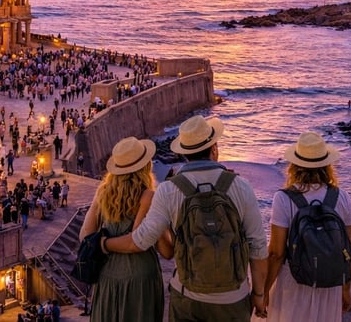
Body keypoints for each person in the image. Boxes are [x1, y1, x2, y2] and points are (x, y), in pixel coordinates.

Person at [105, 115, 268, 320]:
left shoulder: (168, 190)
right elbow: (258, 247)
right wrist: (259, 294)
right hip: (233, 299)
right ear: (214, 148)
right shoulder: (241, 187)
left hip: (187, 299)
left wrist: (104, 243)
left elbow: (140, 241)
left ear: (184, 154)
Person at [264, 132, 351, 322]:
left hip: (293, 283)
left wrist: (263, 291)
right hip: (329, 284)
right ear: (326, 165)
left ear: (294, 165)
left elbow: (276, 253)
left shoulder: (283, 199)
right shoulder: (342, 197)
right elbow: (350, 250)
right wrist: (345, 289)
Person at [80, 136, 171, 322]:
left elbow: (85, 235)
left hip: (108, 276)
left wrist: (103, 243)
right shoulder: (149, 197)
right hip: (141, 278)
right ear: (146, 167)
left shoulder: (103, 193)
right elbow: (166, 251)